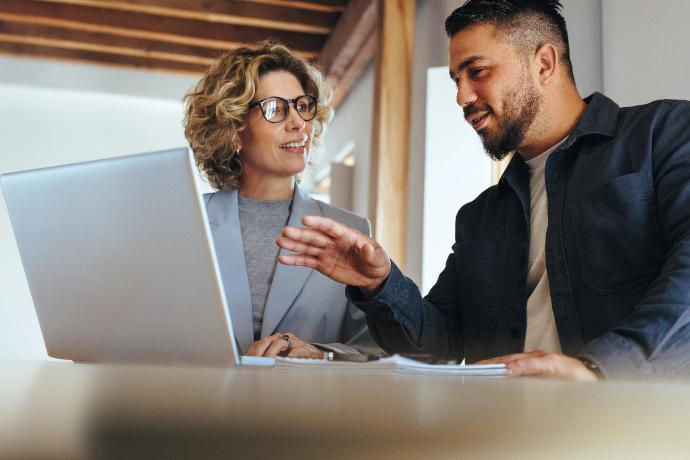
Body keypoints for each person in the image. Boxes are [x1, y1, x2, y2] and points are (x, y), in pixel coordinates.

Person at [276, 0, 690, 381]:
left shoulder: (663, 135)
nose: (461, 96)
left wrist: (598, 369)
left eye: (478, 72)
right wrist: (379, 284)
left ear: (544, 63)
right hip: (504, 427)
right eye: (457, 79)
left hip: (634, 425)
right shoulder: (480, 215)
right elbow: (438, 345)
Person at [183, 41, 381, 358]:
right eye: (276, 109)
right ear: (234, 130)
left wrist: (321, 354)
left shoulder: (349, 229)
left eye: (302, 106)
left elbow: (376, 349)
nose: (298, 123)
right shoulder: (184, 224)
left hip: (305, 407)